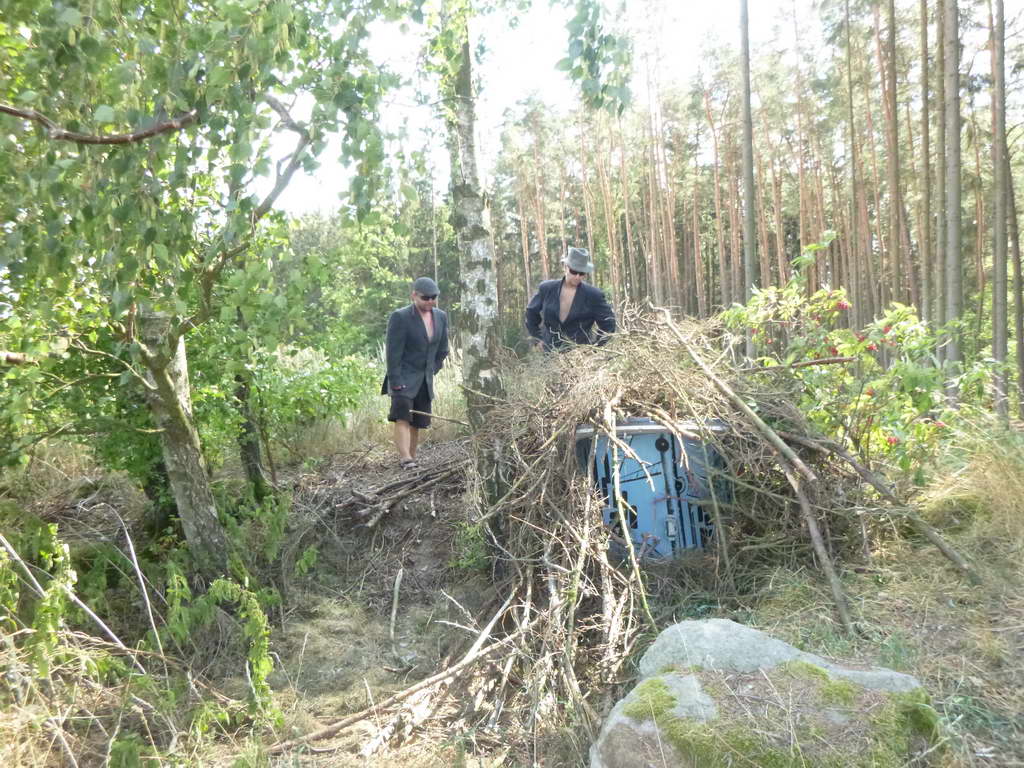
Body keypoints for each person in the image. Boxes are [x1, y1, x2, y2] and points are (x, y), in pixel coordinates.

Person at [381, 277, 450, 469]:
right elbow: (393, 352)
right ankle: (405, 458)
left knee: (417, 421)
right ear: (414, 295)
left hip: (425, 379)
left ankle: (412, 459)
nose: (430, 301)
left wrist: (433, 369)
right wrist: (395, 380)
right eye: (425, 298)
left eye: (433, 297)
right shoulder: (400, 317)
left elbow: (443, 349)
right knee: (402, 416)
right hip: (402, 376)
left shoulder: (441, 317)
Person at [524, 246, 616, 351]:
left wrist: (595, 349)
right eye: (574, 271)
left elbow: (609, 324)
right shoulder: (547, 288)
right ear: (566, 267)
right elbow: (531, 312)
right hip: (550, 354)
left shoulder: (594, 295)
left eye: (581, 273)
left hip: (580, 356)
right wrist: (538, 338)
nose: (577, 276)